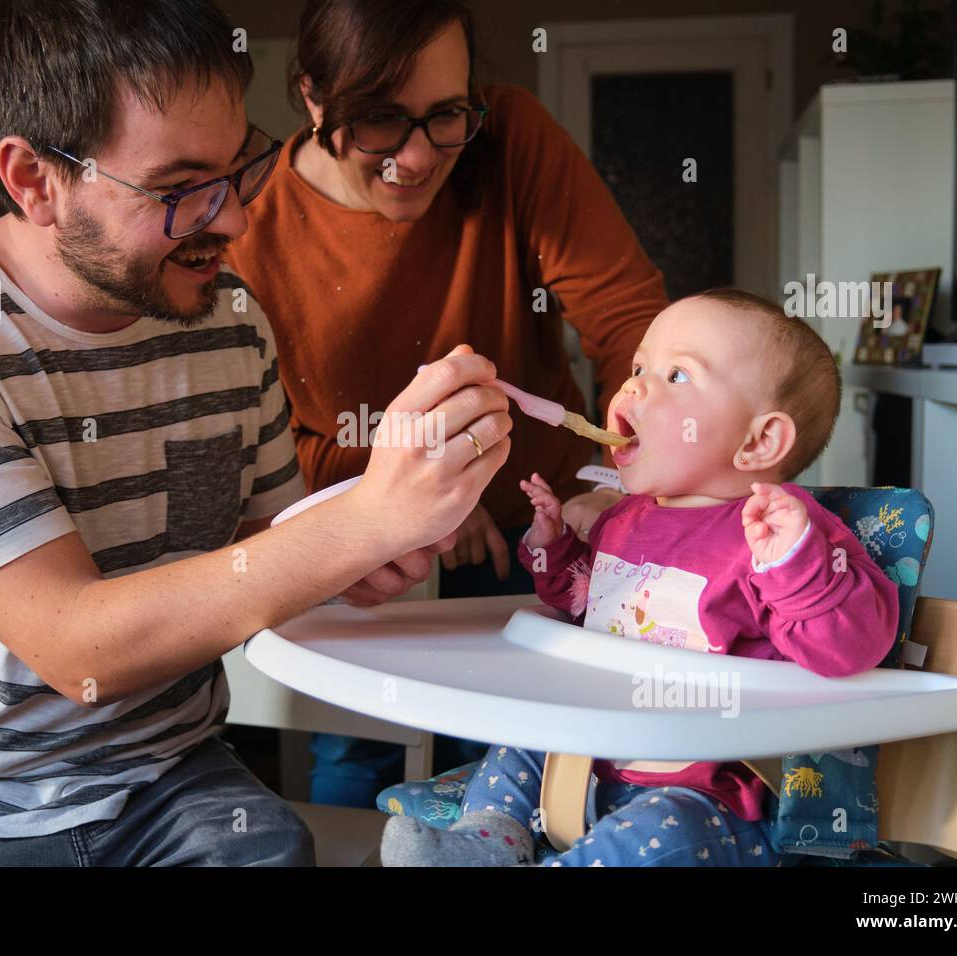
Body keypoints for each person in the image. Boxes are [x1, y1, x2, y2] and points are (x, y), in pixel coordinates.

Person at [0, 0, 512, 867]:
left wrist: (357, 554)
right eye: (177, 190)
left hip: (166, 781)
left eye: (240, 168)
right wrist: (353, 530)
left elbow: (262, 547)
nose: (235, 221)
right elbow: (77, 645)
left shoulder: (230, 319)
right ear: (34, 180)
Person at [226, 0, 670, 806]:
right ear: (313, 98)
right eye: (379, 123)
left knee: (545, 776)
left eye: (446, 116)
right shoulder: (252, 231)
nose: (418, 156)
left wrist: (622, 478)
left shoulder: (512, 140)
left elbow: (628, 323)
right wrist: (411, 494)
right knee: (361, 766)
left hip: (542, 541)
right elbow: (267, 443)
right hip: (360, 553)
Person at [380, 289, 900, 866]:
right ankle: (485, 840)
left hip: (707, 793)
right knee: (518, 743)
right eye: (637, 368)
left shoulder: (782, 531)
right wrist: (557, 551)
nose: (634, 387)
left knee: (665, 830)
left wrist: (795, 566)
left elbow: (850, 647)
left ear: (759, 441)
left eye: (677, 374)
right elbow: (591, 608)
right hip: (588, 756)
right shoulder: (625, 518)